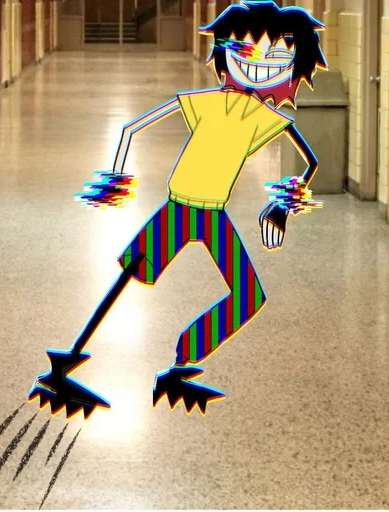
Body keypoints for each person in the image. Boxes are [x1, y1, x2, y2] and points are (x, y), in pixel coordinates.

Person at [29, 0, 328, 419]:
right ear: (225, 53)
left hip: (214, 216)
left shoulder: (266, 118)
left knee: (248, 296)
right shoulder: (205, 102)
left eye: (278, 58)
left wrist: (281, 206)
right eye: (246, 50)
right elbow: (131, 128)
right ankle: (63, 368)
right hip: (178, 211)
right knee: (129, 277)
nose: (261, 64)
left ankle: (182, 362)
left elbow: (310, 162)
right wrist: (115, 179)